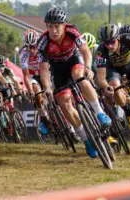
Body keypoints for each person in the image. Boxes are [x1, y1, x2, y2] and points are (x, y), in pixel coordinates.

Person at [37, 7, 112, 158]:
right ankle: (86, 140)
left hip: (74, 60)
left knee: (79, 75)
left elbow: (85, 51)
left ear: (64, 25)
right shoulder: (43, 42)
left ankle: (99, 113)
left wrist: (89, 68)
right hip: (57, 69)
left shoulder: (72, 31)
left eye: (57, 26)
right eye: (50, 26)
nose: (54, 30)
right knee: (64, 104)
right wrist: (46, 87)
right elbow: (44, 69)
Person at [20, 29, 53, 136]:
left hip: (47, 73)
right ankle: (44, 117)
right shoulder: (24, 54)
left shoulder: (43, 49)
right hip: (34, 75)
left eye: (33, 46)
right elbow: (25, 76)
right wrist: (30, 91)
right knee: (37, 93)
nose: (31, 49)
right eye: (28, 47)